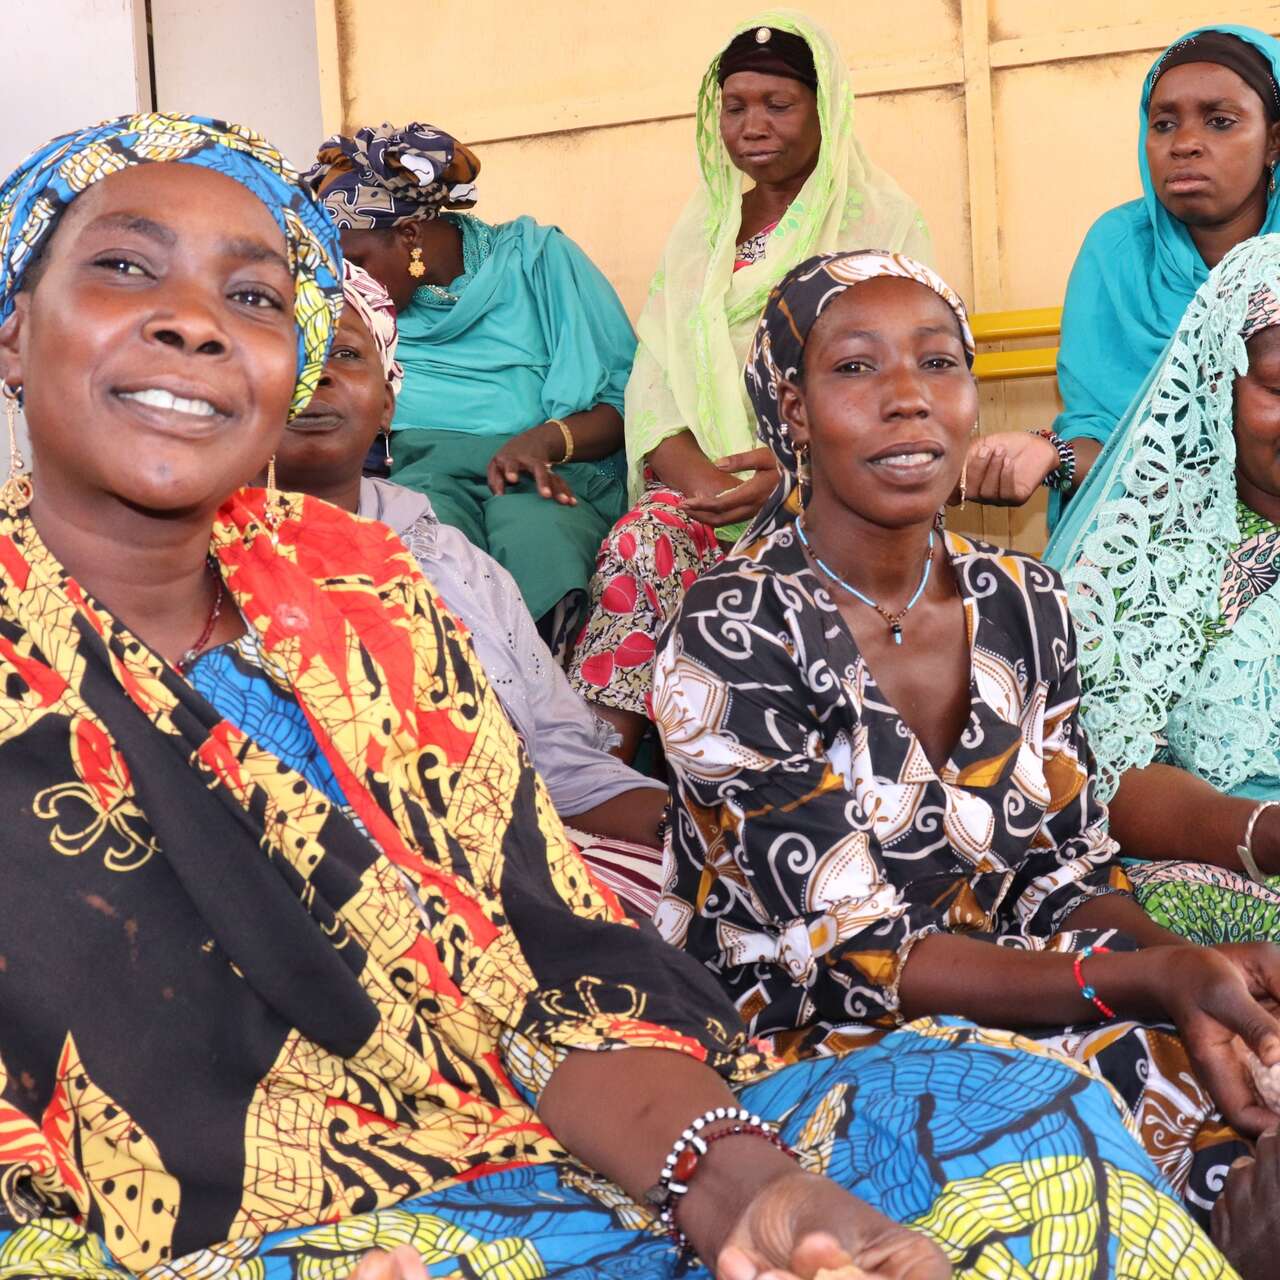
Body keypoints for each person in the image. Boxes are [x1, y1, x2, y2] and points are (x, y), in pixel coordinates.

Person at [0, 113, 1213, 1280]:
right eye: (123, 267)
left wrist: (752, 1191)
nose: (196, 326)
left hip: (538, 1160)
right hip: (195, 1238)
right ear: (15, 330)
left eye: (254, 295)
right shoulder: (738, 618)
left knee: (1028, 1117)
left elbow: (547, 971)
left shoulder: (364, 591)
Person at [651, 248, 1280, 1277]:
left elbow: (1060, 875)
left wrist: (1186, 969)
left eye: (938, 363)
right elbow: (855, 953)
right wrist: (1142, 980)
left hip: (1033, 987)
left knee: (1236, 1054)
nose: (908, 400)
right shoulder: (732, 625)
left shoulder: (1022, 600)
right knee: (1083, 1098)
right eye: (854, 368)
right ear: (793, 410)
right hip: (799, 1035)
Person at [568, 12, 931, 761]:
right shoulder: (701, 231)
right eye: (735, 107)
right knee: (643, 542)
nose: (752, 125)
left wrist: (798, 479)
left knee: (795, 582)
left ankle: (788, 782)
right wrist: (698, 483)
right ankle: (599, 777)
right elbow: (656, 377)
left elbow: (899, 378)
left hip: (834, 495)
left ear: (823, 108)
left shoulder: (880, 221)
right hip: (710, 489)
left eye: (778, 104)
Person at [273, 260, 668, 912]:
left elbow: (564, 768)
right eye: (289, 353)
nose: (317, 376)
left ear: (387, 405)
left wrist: (708, 828)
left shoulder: (448, 558)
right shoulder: (200, 563)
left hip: (514, 868)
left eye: (345, 352)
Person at [305, 123, 635, 644]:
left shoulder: (537, 262)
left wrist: (542, 440)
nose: (350, 282)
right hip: (421, 471)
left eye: (359, 262)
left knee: (541, 535)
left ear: (410, 236)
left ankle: (545, 695)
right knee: (423, 542)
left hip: (540, 469)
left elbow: (623, 399)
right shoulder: (358, 315)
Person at [1042, 233, 1280, 948]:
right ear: (1217, 385)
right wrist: (1261, 833)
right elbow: (1094, 768)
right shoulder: (1156, 552)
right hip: (1218, 862)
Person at [958, 24, 1280, 525]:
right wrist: (1049, 454)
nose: (1185, 144)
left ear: (1274, 143)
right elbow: (1103, 433)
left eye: (1219, 121)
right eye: (1164, 124)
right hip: (1153, 530)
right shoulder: (1118, 250)